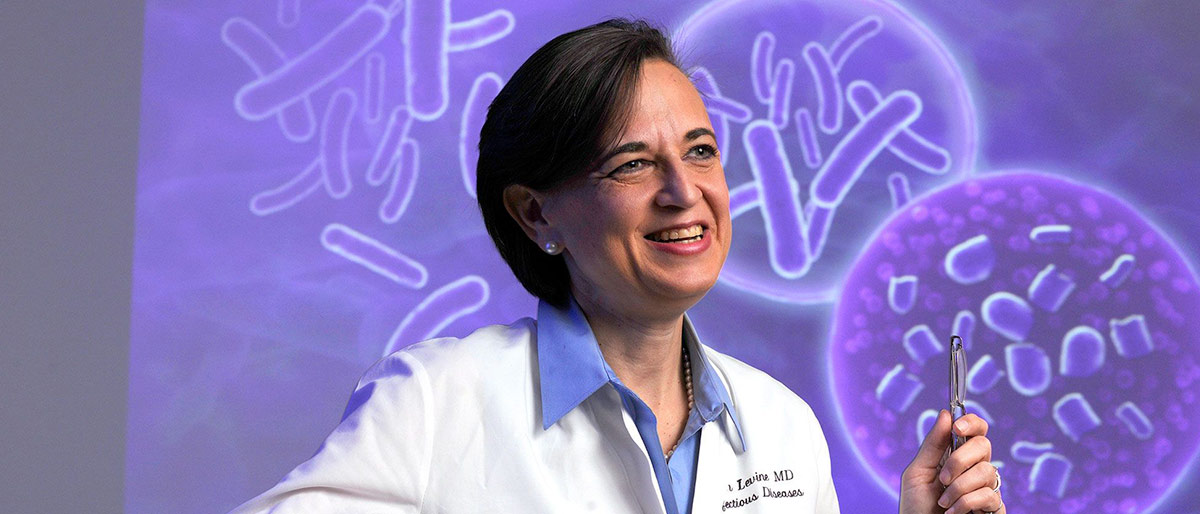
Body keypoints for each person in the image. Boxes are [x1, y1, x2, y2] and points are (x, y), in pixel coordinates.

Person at [232, 19, 1005, 514]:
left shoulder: (781, 427)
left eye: (700, 151)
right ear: (537, 214)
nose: (684, 193)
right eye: (632, 164)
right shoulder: (434, 401)